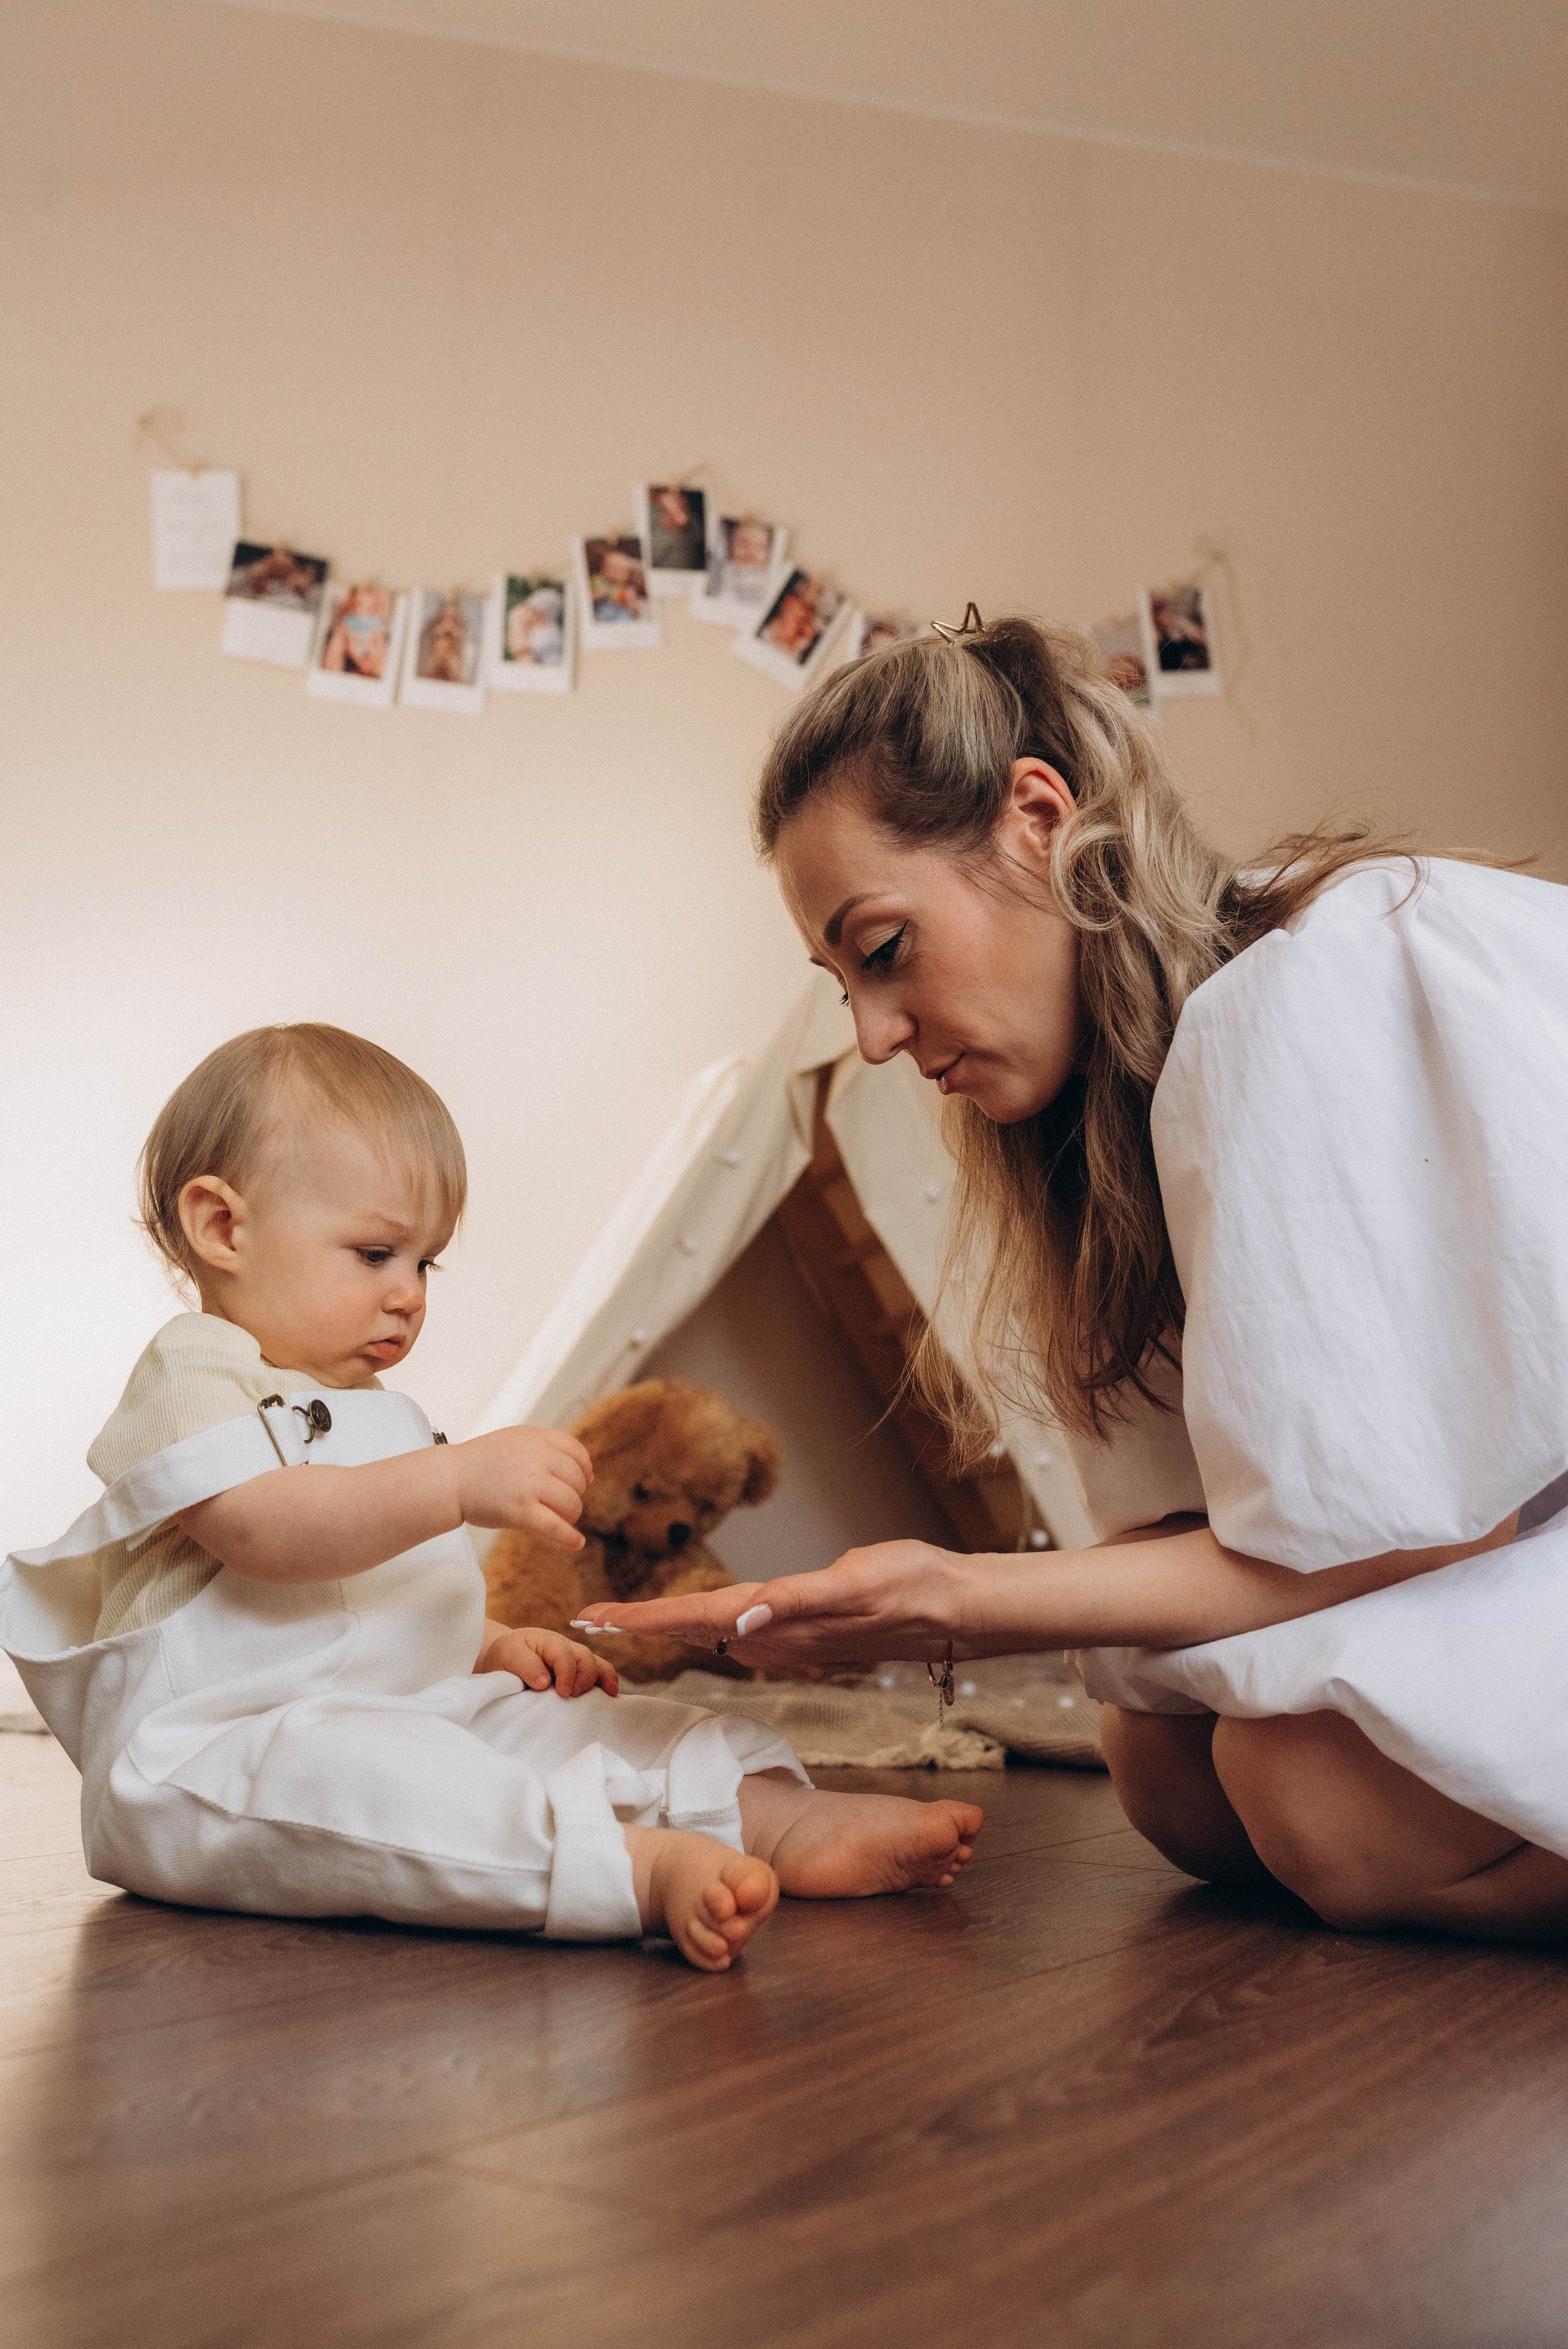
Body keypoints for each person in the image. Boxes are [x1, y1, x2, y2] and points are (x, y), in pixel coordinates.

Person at [576, 613, 1568, 1947]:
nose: (872, 1035)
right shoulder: (1118, 1115)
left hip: (1508, 1528)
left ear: (1034, 818)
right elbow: (1236, 1528)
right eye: (841, 986)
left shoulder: (1294, 991)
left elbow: (1417, 1530)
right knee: (1160, 1758)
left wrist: (952, 1596)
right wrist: (912, 1600)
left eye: (882, 952)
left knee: (1316, 1793)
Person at [0, 1027, 981, 1971]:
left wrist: (488, 1642)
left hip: (401, 1710)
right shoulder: (196, 1371)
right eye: (376, 1254)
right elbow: (264, 1534)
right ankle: (629, 1875)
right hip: (221, 1752)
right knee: (392, 1790)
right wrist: (458, 1478)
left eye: (426, 1263)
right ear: (222, 1226)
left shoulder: (373, 1409)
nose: (411, 1293)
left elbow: (359, 1608)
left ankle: (780, 1816)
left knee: (614, 1725)